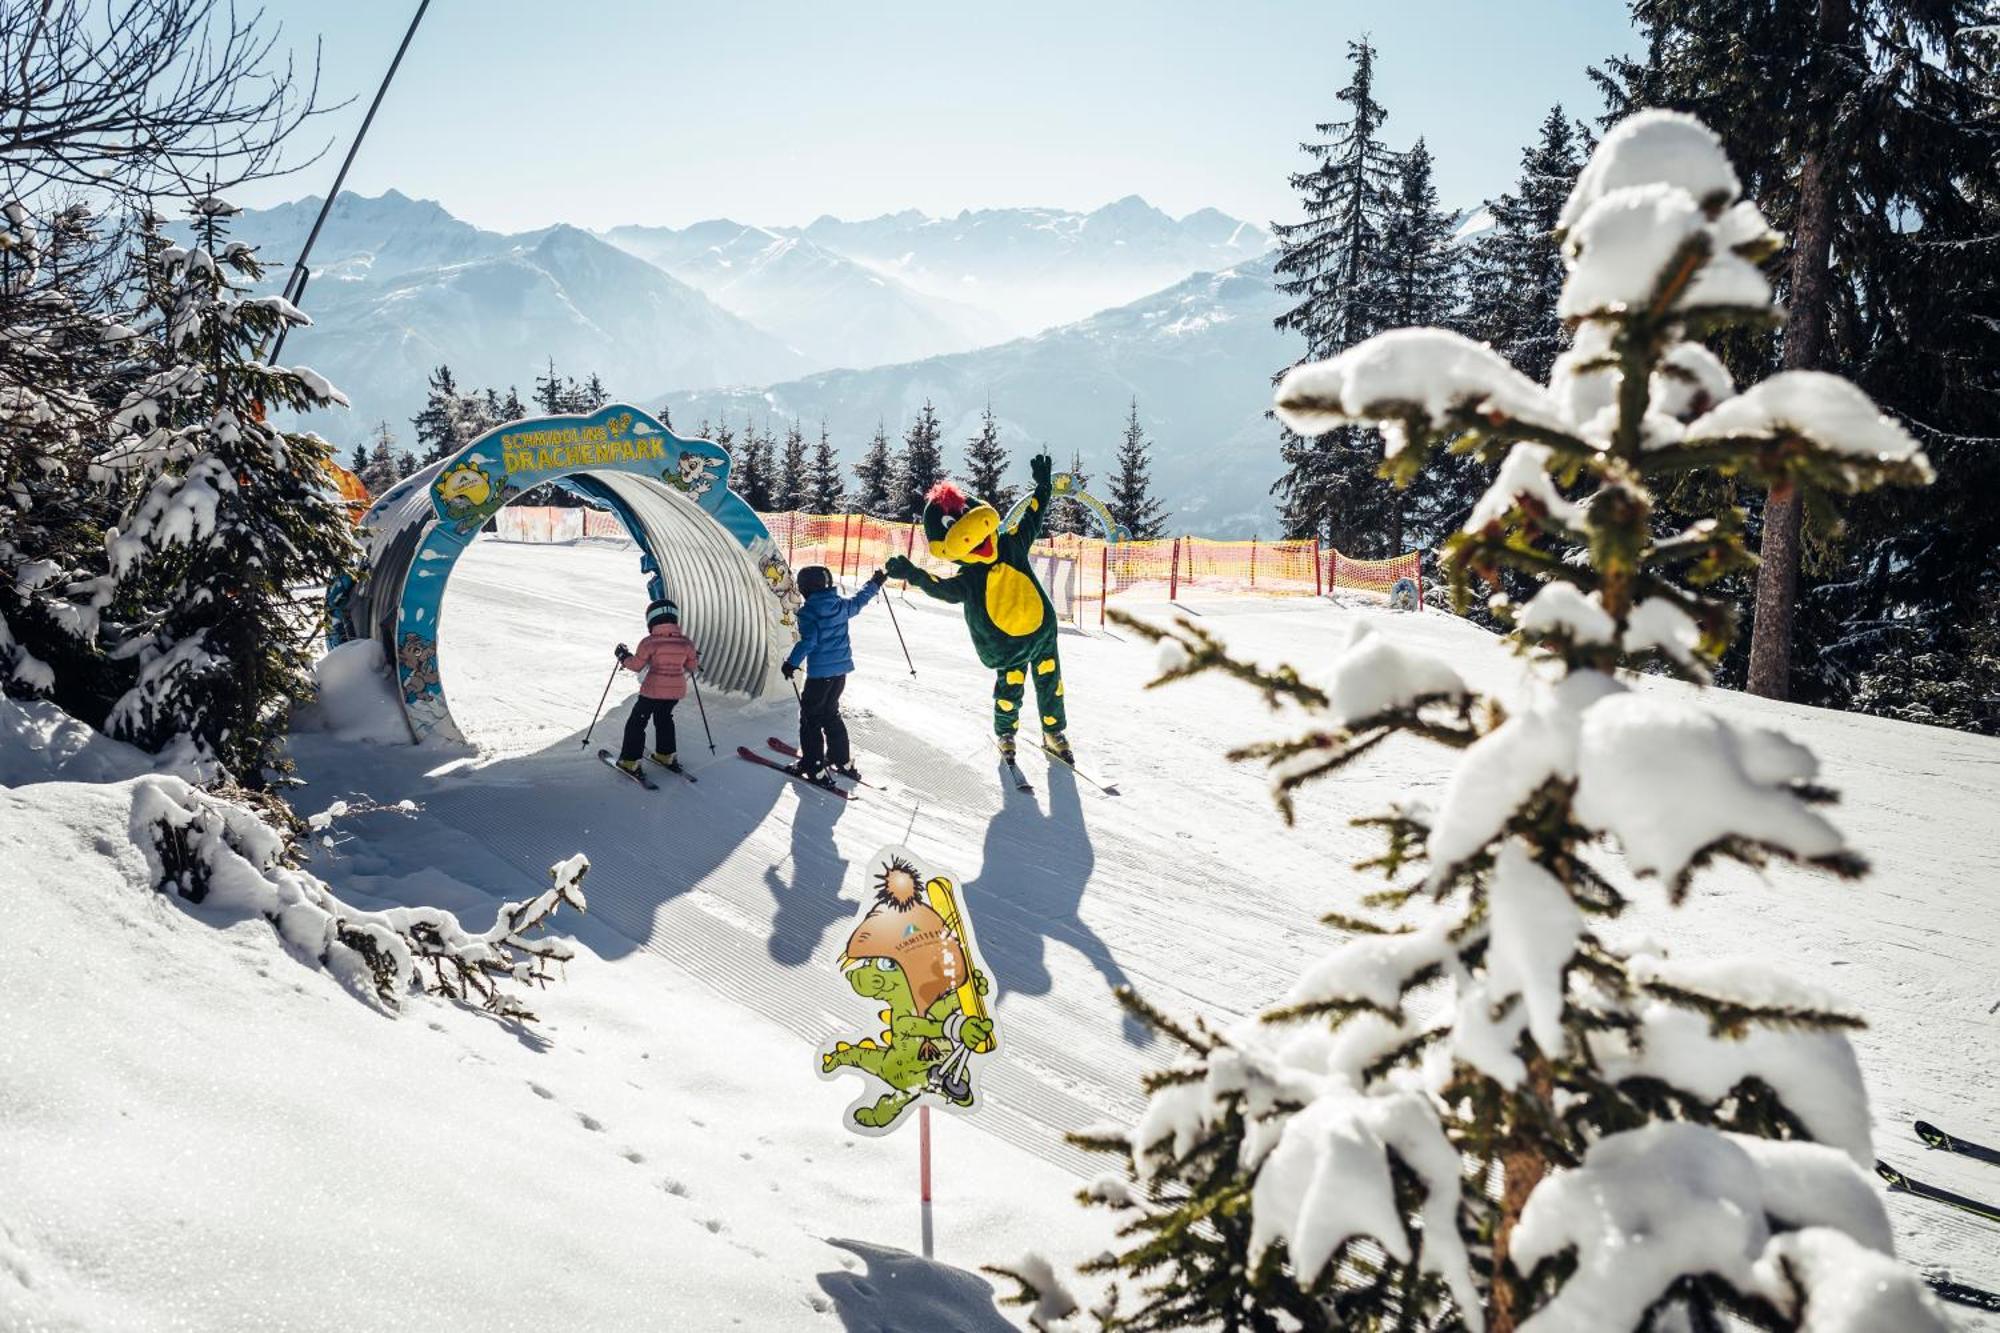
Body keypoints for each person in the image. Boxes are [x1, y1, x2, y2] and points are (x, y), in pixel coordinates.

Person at [884, 454, 1073, 764]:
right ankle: (1006, 733)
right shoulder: (969, 576)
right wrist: (914, 574)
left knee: (1051, 684)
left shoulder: (1011, 545)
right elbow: (942, 588)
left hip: (1041, 636)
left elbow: (1032, 518)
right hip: (1007, 646)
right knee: (1010, 688)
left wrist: (1043, 487)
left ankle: (1054, 731)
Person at [782, 564, 886, 783]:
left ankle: (814, 766)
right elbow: (859, 601)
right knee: (830, 714)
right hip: (840, 674)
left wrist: (791, 663)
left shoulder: (809, 612)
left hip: (820, 676)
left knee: (810, 719)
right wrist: (875, 583)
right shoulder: (840, 605)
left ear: (807, 588)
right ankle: (842, 760)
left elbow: (809, 642)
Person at [613, 598, 698, 775]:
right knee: (664, 718)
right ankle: (666, 755)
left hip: (652, 691)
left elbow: (636, 665)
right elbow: (692, 667)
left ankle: (630, 761)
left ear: (651, 619)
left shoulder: (649, 642)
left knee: (637, 723)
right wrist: (689, 656)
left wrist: (623, 656)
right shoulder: (686, 643)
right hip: (675, 692)